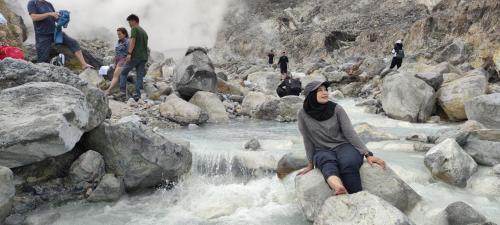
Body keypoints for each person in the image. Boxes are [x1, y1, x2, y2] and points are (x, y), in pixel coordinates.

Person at [297, 81, 386, 195]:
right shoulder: (302, 114)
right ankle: (339, 188)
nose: (325, 93)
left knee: (348, 163)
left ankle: (357, 197)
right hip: (322, 150)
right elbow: (307, 139)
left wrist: (367, 154)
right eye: (319, 90)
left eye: (326, 90)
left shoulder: (337, 109)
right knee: (327, 164)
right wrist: (310, 164)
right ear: (310, 95)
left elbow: (350, 133)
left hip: (344, 146)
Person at [27, 0, 92, 68]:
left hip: (55, 32)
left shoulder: (48, 4)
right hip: (42, 36)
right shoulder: (32, 2)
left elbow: (55, 18)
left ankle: (84, 64)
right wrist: (49, 14)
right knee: (42, 60)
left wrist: (63, 18)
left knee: (73, 43)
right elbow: (34, 17)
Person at [119, 14, 148, 101]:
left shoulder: (134, 29)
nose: (129, 24)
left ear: (134, 21)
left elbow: (133, 41)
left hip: (135, 56)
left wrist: (129, 53)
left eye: (130, 22)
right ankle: (137, 95)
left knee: (123, 72)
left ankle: (122, 93)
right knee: (139, 76)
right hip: (143, 57)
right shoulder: (144, 32)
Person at [104, 27, 129, 96]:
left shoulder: (127, 42)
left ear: (124, 34)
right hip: (117, 60)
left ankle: (109, 90)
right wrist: (115, 62)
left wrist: (126, 61)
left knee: (115, 75)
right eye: (118, 34)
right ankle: (111, 89)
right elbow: (116, 53)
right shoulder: (119, 41)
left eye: (120, 34)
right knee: (112, 73)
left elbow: (130, 53)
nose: (118, 36)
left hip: (123, 60)